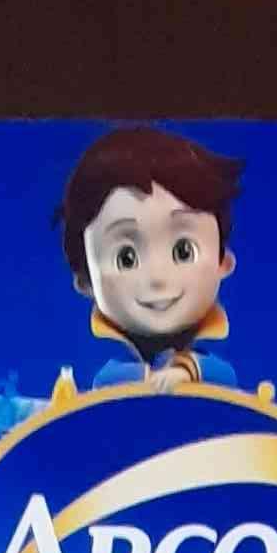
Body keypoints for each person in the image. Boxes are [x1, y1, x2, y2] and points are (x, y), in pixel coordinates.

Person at [55, 123, 244, 387]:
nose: (157, 278)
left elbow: (225, 377)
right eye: (126, 258)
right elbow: (105, 383)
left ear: (224, 262)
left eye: (183, 252)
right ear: (85, 282)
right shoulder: (111, 374)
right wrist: (148, 380)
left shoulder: (212, 369)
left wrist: (187, 370)